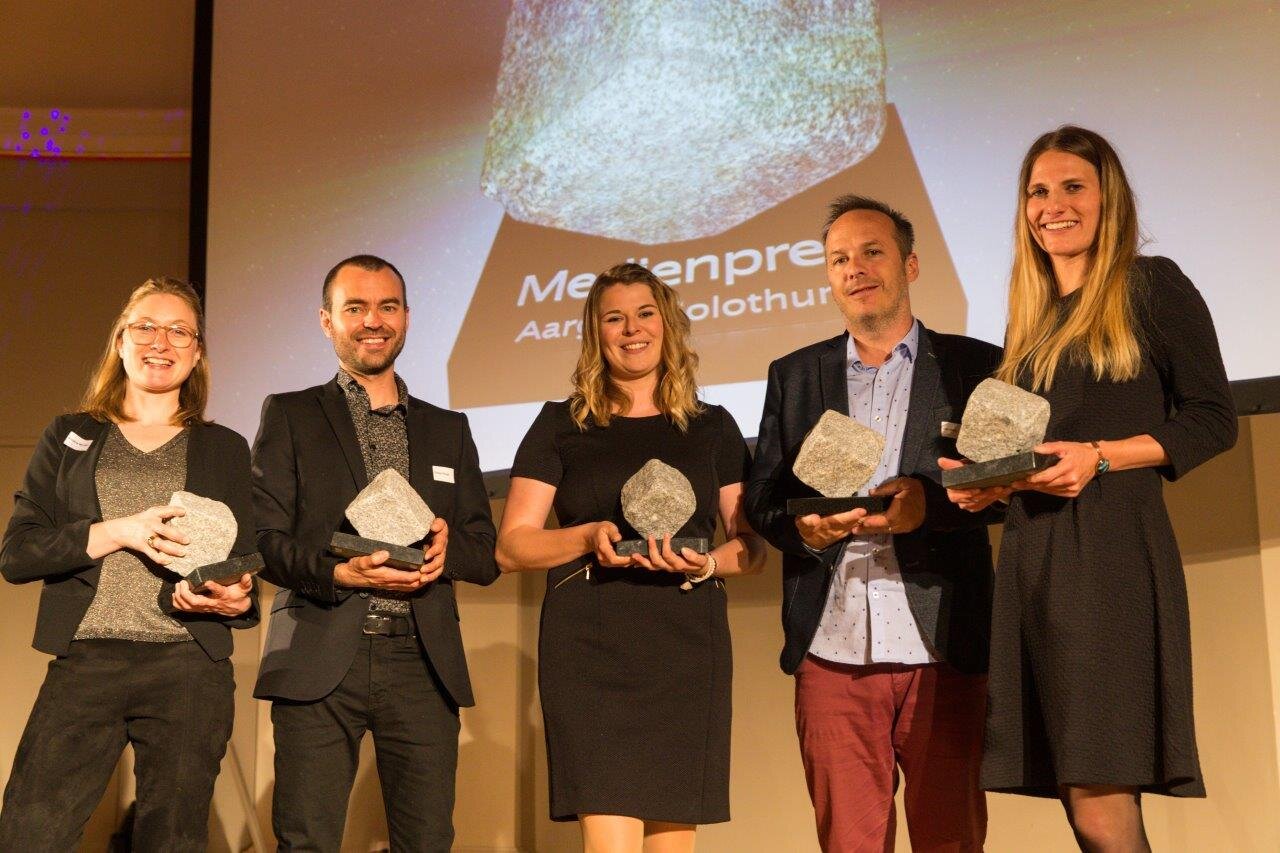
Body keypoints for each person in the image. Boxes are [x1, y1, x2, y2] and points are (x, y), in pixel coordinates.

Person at [942, 126, 1236, 850]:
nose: (1052, 205)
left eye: (1072, 186)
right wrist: (989, 487)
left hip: (1110, 559)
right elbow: (1033, 454)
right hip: (1034, 560)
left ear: (1109, 199)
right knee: (1081, 794)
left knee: (1102, 799)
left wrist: (1100, 456)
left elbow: (1212, 419)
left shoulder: (1150, 287)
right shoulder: (1029, 323)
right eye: (1038, 191)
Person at [746, 196, 1002, 852]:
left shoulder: (974, 365)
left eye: (871, 252)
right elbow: (765, 500)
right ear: (828, 277)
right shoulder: (796, 376)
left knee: (953, 841)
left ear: (910, 263)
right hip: (833, 652)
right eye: (839, 259)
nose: (854, 268)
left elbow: (1006, 492)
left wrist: (929, 506)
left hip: (942, 647)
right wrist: (800, 531)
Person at [497, 262, 765, 853]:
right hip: (590, 643)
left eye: (645, 314)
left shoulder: (713, 428)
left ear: (667, 325)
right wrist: (586, 536)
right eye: (614, 318)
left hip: (685, 643)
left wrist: (707, 564)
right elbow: (513, 545)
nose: (631, 329)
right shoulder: (559, 425)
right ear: (596, 332)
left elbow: (749, 549)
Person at [251, 254, 499, 851]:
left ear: (407, 318)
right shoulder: (291, 414)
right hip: (318, 655)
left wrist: (448, 550)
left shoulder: (450, 428)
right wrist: (339, 571)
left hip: (422, 661)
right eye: (355, 308)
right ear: (327, 321)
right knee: (307, 839)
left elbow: (484, 551)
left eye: (387, 307)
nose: (373, 321)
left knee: (428, 840)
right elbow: (263, 539)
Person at [0, 277, 257, 851]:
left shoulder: (225, 448)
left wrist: (236, 597)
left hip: (188, 665)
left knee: (172, 840)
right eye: (145, 325)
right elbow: (17, 555)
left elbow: (241, 562)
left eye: (178, 331)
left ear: (196, 354)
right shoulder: (70, 435)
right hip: (86, 659)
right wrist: (119, 531)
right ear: (120, 341)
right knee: (29, 833)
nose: (159, 341)